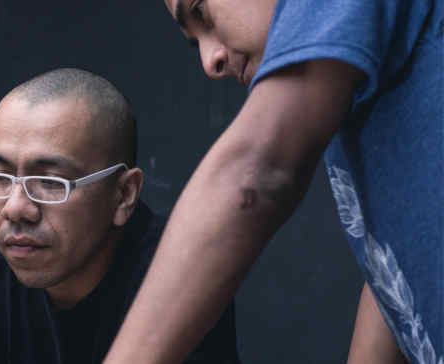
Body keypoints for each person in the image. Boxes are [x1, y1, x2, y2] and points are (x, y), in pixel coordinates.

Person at [103, 0, 442, 363]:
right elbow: (392, 258)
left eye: (201, 12)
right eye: (194, 41)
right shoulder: (349, 82)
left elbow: (256, 173)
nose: (209, 60)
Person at [0, 68, 240, 364]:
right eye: (0, 177)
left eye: (49, 182)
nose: (15, 208)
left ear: (123, 194)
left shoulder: (182, 274)